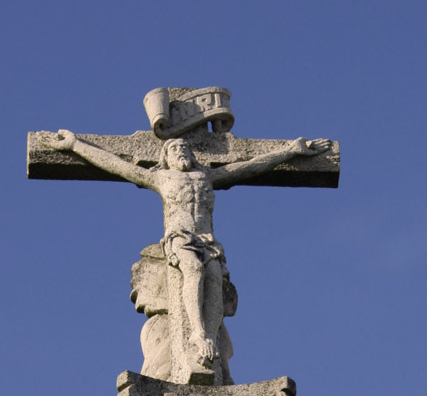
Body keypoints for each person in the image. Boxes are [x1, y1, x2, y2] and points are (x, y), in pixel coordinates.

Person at [49, 129, 331, 370]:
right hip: (179, 236)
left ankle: (208, 334)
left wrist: (290, 151)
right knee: (192, 270)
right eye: (174, 149)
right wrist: (75, 145)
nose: (181, 151)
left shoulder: (207, 177)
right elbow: (117, 165)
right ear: (166, 157)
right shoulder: (161, 178)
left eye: (184, 148)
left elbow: (252, 166)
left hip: (206, 239)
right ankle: (196, 332)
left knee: (213, 280)